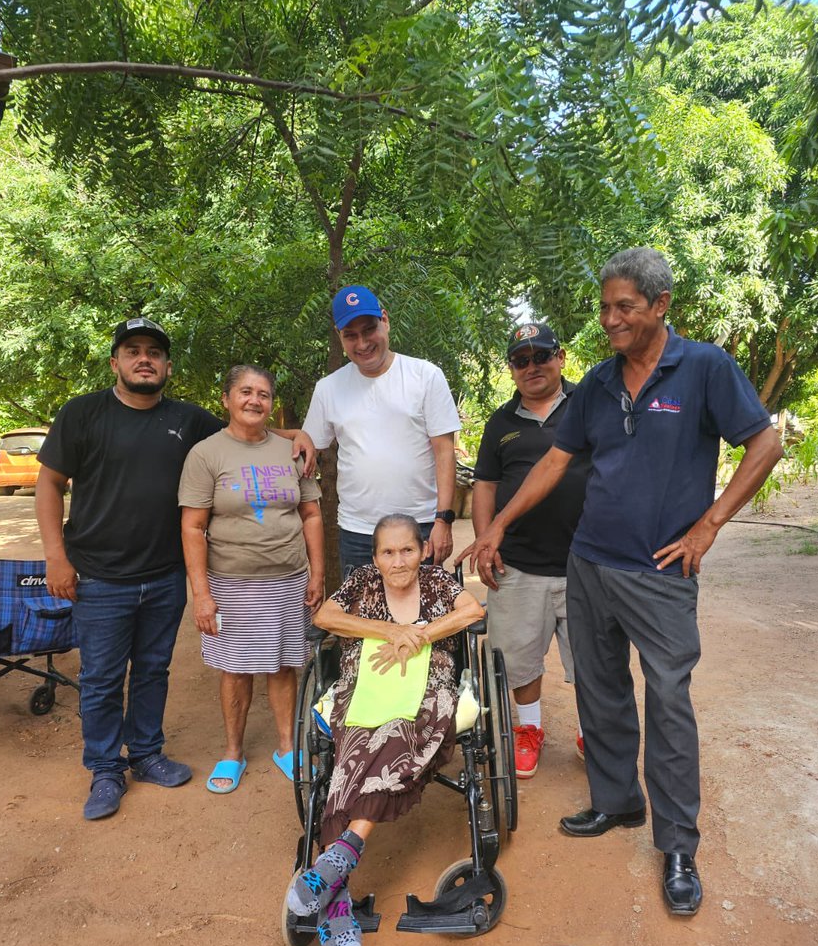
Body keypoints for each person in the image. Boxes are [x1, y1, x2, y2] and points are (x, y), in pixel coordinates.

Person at [458, 249, 782, 916]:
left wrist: (708, 526)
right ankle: (617, 801)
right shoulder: (600, 383)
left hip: (660, 573)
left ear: (660, 305)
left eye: (624, 307)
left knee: (668, 700)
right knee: (601, 690)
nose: (609, 319)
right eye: (605, 307)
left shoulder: (704, 368)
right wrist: (497, 528)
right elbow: (555, 461)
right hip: (590, 563)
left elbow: (765, 444)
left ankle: (679, 846)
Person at [36, 317, 316, 821]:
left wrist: (298, 435)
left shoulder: (187, 420)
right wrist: (56, 556)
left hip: (163, 574)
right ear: (116, 362)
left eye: (154, 352)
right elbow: (49, 484)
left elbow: (249, 432)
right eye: (133, 351)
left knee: (152, 671)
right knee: (101, 678)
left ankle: (146, 755)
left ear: (167, 366)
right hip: (100, 573)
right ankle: (106, 769)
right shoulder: (82, 414)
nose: (144, 359)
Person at [285, 513, 484, 946]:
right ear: (374, 558)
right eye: (388, 552)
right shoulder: (361, 584)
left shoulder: (437, 583)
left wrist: (420, 635)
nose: (398, 561)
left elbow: (473, 611)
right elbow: (324, 615)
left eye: (407, 550)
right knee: (353, 750)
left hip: (427, 693)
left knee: (396, 735)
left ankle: (337, 862)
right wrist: (388, 630)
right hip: (364, 691)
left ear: (423, 551)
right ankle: (336, 890)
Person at [179, 365, 324, 793]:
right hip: (231, 582)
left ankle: (287, 747)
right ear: (226, 399)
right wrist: (201, 594)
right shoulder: (206, 454)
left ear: (271, 404)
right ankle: (233, 752)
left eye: (263, 394)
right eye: (245, 392)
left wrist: (317, 573)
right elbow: (192, 527)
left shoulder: (291, 451)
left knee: (283, 664)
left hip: (289, 579)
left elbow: (311, 514)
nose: (254, 400)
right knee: (235, 669)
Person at [472, 322, 589, 778]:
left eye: (541, 355)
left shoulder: (588, 403)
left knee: (593, 657)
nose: (532, 366)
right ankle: (529, 729)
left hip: (586, 562)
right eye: (522, 360)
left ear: (560, 357)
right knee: (518, 659)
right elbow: (485, 486)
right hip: (519, 564)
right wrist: (486, 541)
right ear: (512, 368)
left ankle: (591, 730)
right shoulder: (500, 422)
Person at [302, 285, 461, 576]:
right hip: (358, 532)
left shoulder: (425, 376)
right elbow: (308, 445)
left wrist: (443, 519)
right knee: (361, 607)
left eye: (369, 329)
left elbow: (444, 452)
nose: (362, 343)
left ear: (385, 321)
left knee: (420, 607)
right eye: (351, 335)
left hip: (420, 526)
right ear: (339, 336)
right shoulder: (328, 388)